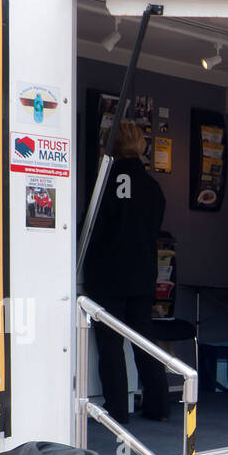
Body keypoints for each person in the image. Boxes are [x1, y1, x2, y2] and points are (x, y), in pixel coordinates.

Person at [82, 119, 168, 423]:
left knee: (111, 347)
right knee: (145, 341)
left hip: (107, 276)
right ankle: (159, 404)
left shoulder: (104, 183)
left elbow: (93, 228)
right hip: (142, 275)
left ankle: (118, 411)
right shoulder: (153, 188)